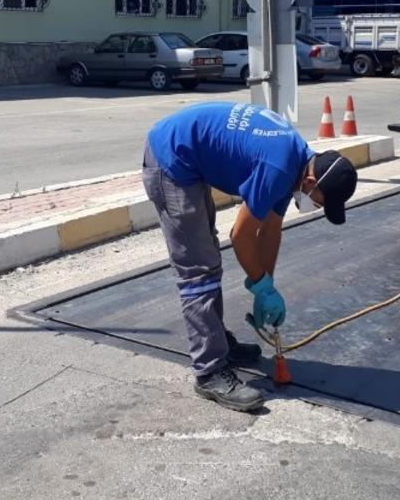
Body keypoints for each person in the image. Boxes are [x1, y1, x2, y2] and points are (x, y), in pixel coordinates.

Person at [142, 101, 358, 412]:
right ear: (311, 183)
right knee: (199, 268)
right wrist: (260, 285)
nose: (319, 208)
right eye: (322, 203)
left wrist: (267, 285)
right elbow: (241, 236)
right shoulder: (280, 167)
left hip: (188, 157)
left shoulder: (297, 164)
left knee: (207, 256)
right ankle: (209, 371)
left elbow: (270, 229)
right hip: (170, 158)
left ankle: (217, 341)